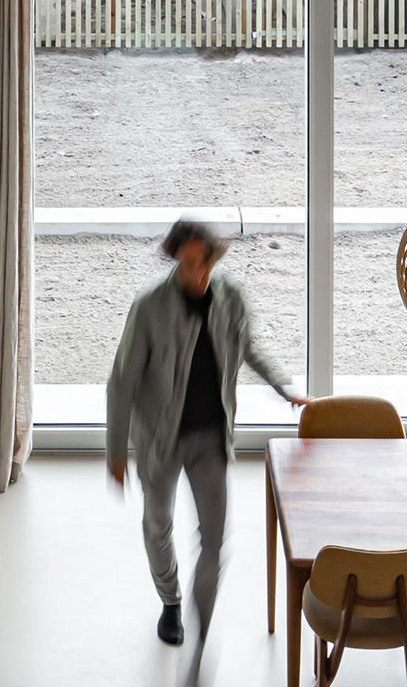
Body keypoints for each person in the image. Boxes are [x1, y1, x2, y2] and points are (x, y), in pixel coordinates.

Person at [106, 217, 303, 649]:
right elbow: (122, 381)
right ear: (176, 259)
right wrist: (116, 452)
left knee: (215, 537)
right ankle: (171, 602)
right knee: (157, 524)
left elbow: (249, 348)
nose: (197, 273)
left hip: (211, 438)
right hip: (160, 438)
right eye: (188, 263)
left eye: (204, 263)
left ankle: (201, 616)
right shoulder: (150, 306)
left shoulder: (230, 296)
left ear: (214, 259)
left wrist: (284, 387)